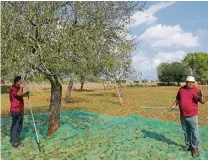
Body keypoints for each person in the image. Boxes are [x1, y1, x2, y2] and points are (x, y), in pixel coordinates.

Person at [171, 76, 206, 158]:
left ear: (194, 83)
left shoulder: (197, 90)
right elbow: (178, 99)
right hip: (183, 115)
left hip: (192, 116)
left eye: (192, 82)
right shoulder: (181, 89)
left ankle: (195, 148)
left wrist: (200, 97)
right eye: (189, 82)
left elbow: (203, 102)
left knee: (195, 133)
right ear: (186, 82)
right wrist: (174, 105)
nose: (191, 83)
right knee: (186, 132)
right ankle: (188, 145)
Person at [9, 75, 29, 148]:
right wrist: (22, 87)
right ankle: (15, 142)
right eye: (20, 81)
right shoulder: (13, 88)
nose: (21, 82)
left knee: (19, 126)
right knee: (15, 126)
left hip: (20, 109)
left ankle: (15, 139)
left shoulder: (17, 88)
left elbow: (20, 95)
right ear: (17, 81)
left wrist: (25, 94)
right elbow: (18, 94)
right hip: (15, 110)